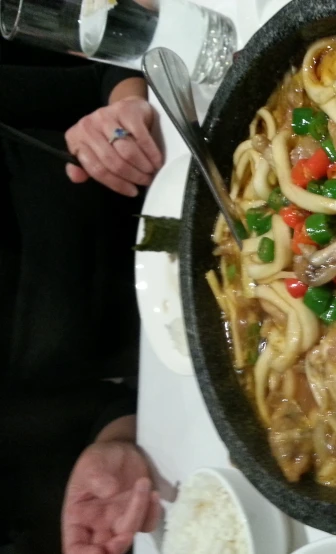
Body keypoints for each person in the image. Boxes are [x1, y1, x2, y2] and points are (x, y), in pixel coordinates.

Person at [0, 36, 163, 554]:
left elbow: (109, 63)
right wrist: (114, 445)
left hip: (202, 171)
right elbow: (101, 414)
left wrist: (122, 112)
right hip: (203, 356)